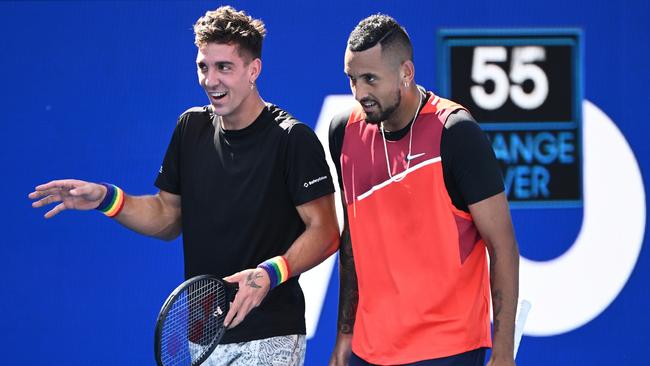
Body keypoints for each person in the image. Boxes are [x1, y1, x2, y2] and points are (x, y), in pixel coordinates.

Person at [29, 6, 339, 365]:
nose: (210, 80)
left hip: (269, 331)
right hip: (203, 335)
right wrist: (107, 199)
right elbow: (166, 216)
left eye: (224, 67)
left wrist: (270, 273)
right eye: (203, 67)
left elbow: (327, 230)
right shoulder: (190, 129)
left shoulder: (291, 139)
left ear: (253, 70)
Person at [328, 14, 519, 366]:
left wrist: (503, 350)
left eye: (370, 79)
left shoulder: (456, 133)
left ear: (406, 73)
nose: (359, 93)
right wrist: (345, 334)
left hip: (448, 349)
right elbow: (352, 237)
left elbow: (502, 246)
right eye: (352, 79)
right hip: (369, 350)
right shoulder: (344, 130)